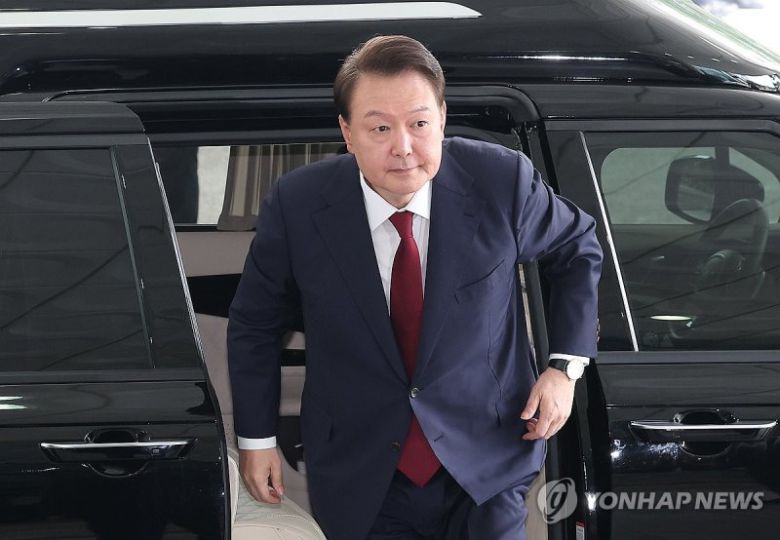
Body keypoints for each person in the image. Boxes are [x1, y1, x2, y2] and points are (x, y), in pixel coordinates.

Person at [228, 35, 602, 540]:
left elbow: (577, 247)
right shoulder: (299, 203)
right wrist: (256, 441)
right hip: (360, 466)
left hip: (487, 457)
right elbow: (254, 323)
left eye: (419, 124)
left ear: (442, 119)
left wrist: (564, 368)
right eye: (380, 128)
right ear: (348, 133)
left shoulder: (500, 180)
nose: (403, 147)